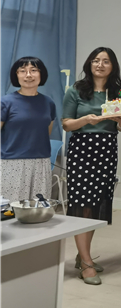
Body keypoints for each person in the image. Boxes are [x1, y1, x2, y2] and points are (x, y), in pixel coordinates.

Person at [62, 47, 121, 285]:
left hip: (107, 149)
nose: (100, 65)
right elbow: (66, 124)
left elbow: (120, 127)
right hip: (82, 148)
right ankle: (86, 263)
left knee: (94, 204)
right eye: (96, 60)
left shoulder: (118, 92)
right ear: (89, 64)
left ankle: (83, 256)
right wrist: (85, 120)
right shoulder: (76, 90)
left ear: (113, 66)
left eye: (106, 61)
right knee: (82, 205)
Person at [1, 57, 57, 202]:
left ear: (41, 74)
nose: (28, 75)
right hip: (12, 162)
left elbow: (47, 131)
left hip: (41, 162)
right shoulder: (5, 102)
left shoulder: (48, 103)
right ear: (16, 75)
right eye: (22, 71)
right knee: (11, 208)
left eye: (34, 70)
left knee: (38, 207)